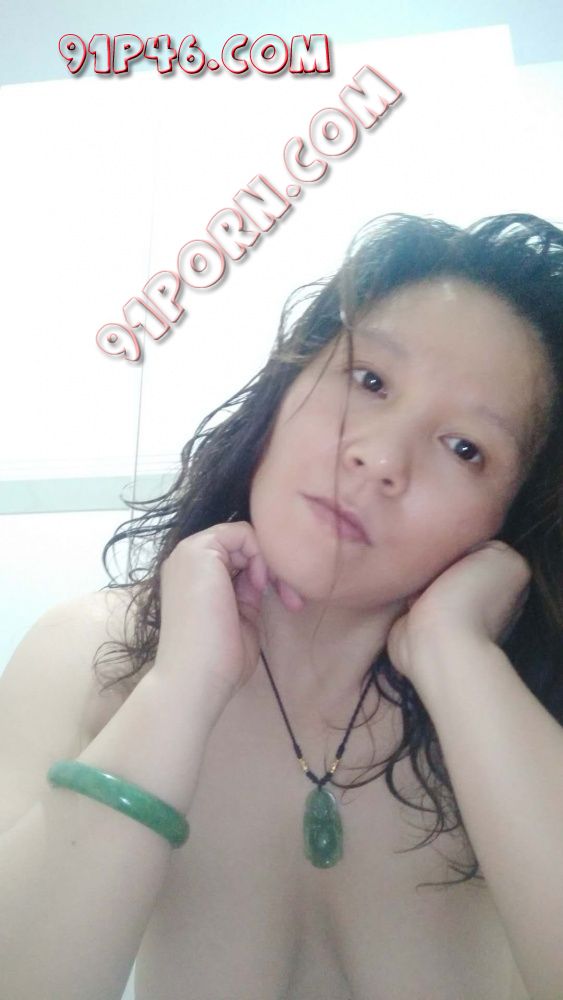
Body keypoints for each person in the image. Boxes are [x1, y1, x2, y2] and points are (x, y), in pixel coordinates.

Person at [1, 212, 562, 1000]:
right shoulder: (88, 653)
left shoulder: (520, 703)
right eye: (369, 381)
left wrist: (455, 655)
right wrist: (180, 687)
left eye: (465, 447)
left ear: (508, 517)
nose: (379, 457)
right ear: (282, 389)